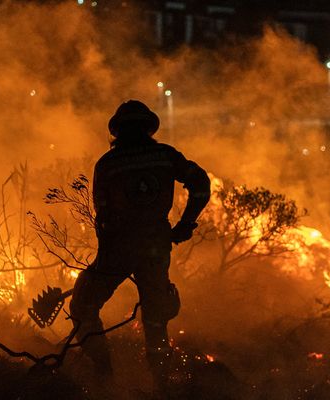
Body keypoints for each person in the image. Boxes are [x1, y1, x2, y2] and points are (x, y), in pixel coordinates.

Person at [68, 100, 211, 385]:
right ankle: (160, 382)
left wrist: (106, 261)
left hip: (117, 251)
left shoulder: (108, 164)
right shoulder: (165, 155)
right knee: (155, 318)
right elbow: (201, 184)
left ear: (116, 132)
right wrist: (186, 223)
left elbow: (103, 214)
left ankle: (103, 373)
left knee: (83, 307)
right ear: (149, 128)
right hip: (155, 249)